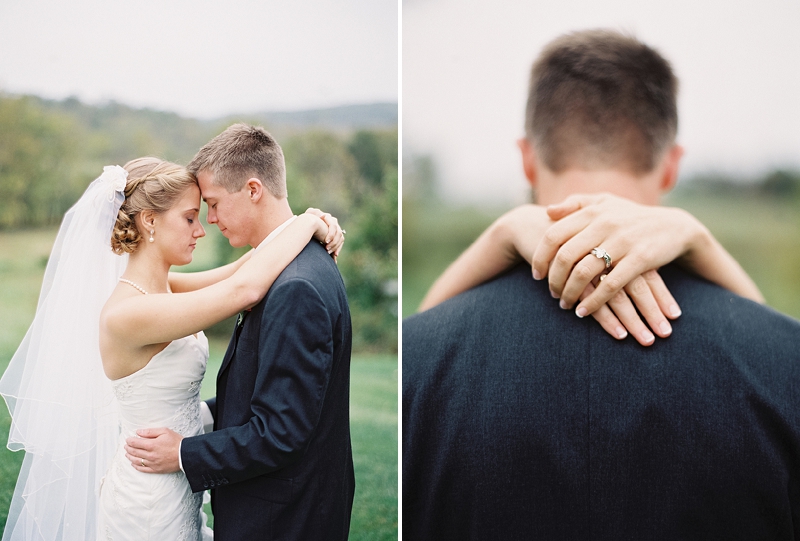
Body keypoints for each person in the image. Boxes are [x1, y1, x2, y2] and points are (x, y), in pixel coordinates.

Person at [403, 30, 800, 539]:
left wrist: (498, 235)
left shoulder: (419, 363)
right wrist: (700, 239)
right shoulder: (784, 360)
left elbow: (420, 344)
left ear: (527, 158)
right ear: (671, 165)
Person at [0, 157, 343, 541]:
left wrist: (304, 222)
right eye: (189, 218)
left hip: (176, 481)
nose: (201, 229)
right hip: (148, 499)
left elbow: (244, 267)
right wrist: (309, 224)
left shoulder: (165, 288)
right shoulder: (128, 314)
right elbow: (244, 289)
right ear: (149, 221)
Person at [123, 125, 355, 540]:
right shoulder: (287, 267)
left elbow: (281, 433)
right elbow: (265, 385)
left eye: (211, 204)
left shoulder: (295, 286)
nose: (209, 221)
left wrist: (181, 451)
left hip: (283, 520)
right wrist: (308, 221)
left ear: (252, 189)